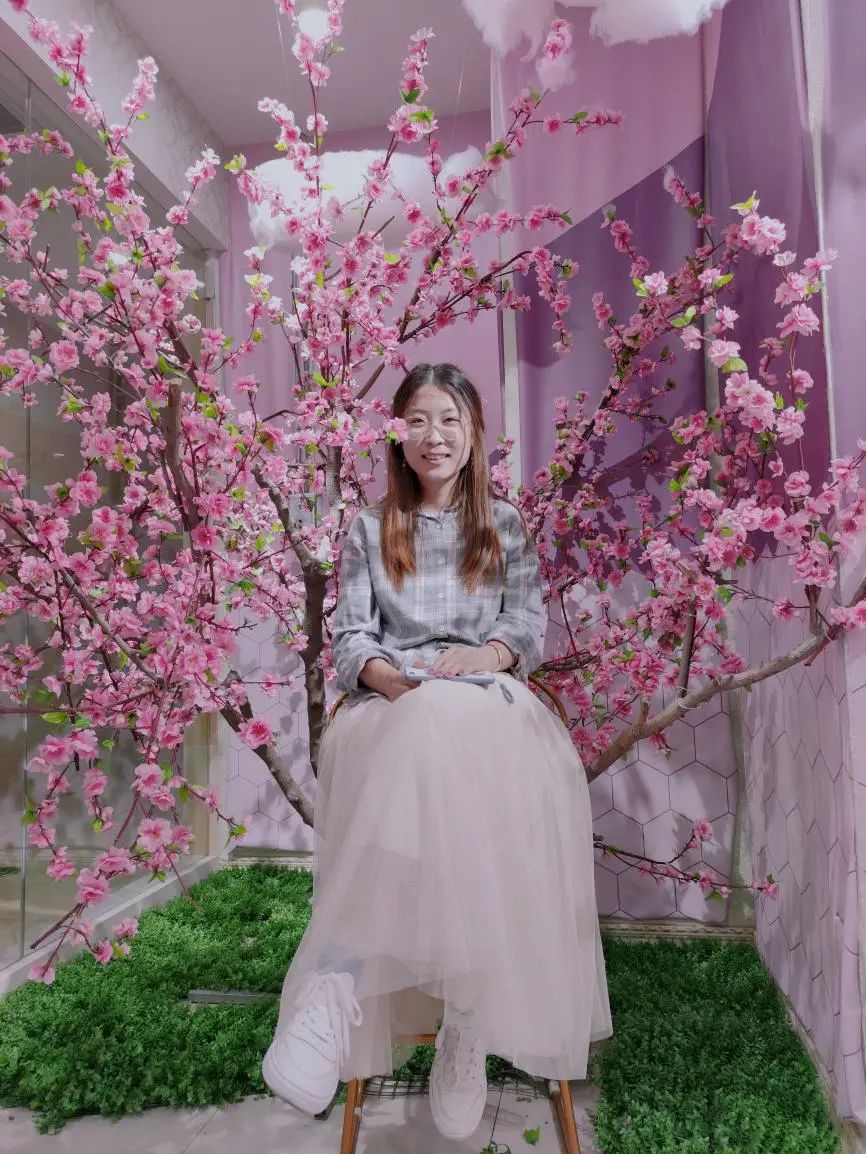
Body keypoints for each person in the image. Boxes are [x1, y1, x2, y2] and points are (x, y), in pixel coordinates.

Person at [262, 362, 613, 1141]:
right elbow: (351, 639)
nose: (434, 436)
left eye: (449, 420)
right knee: (421, 725)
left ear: (473, 433)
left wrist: (485, 657)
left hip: (485, 703)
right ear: (397, 435)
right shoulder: (369, 528)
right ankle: (352, 997)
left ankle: (444, 1016)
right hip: (394, 706)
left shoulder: (504, 525)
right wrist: (389, 679)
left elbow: (525, 625)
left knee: (449, 728)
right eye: (417, 420)